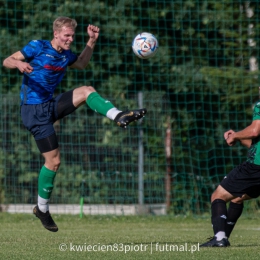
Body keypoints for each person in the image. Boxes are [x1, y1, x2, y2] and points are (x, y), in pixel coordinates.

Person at [3, 16, 147, 232]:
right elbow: (7, 60)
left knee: (87, 90)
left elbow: (81, 63)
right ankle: (42, 208)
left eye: (72, 36)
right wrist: (19, 64)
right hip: (33, 112)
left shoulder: (65, 55)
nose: (70, 39)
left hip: (49, 105)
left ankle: (118, 116)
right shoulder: (37, 46)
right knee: (54, 162)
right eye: (66, 35)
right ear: (56, 34)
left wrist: (92, 41)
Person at [200, 100, 260, 247]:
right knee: (237, 198)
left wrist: (235, 136)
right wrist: (238, 137)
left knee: (218, 195)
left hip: (255, 167)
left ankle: (220, 238)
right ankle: (223, 236)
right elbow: (255, 143)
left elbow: (254, 131)